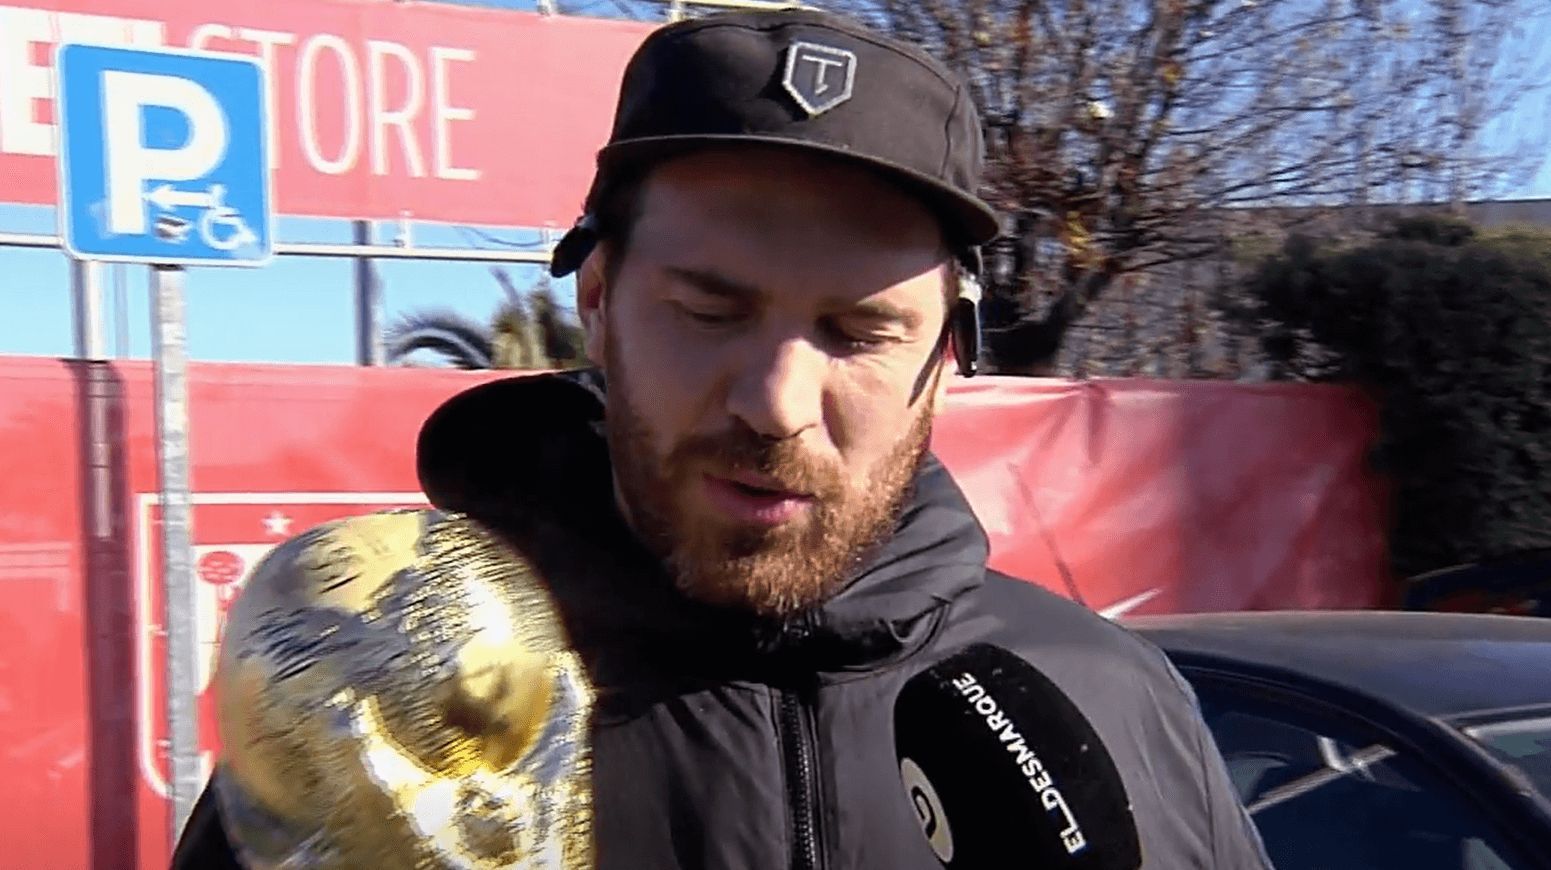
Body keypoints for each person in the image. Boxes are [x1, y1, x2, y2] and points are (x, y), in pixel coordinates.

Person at [174, 8, 1272, 868]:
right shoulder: (394, 730)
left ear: (946, 353)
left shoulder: (1108, 699)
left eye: (859, 332)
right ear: (598, 300)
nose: (776, 403)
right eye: (709, 312)